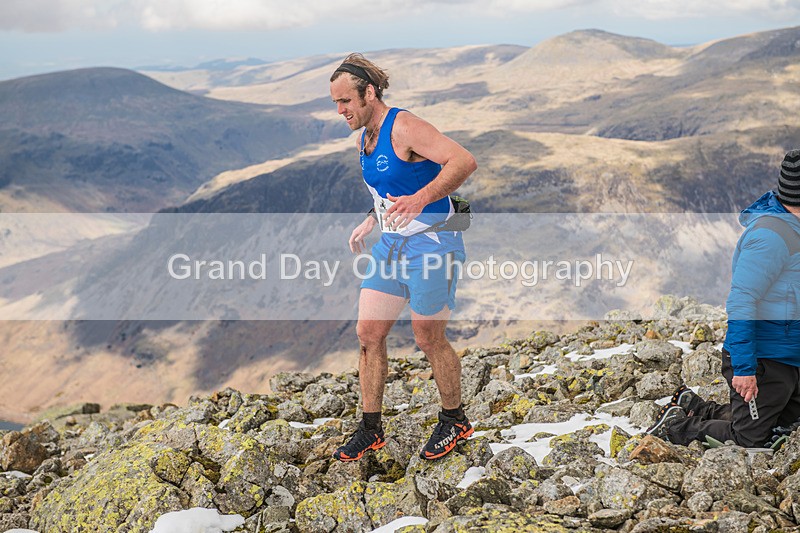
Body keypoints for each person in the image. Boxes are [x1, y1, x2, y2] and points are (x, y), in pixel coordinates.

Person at [328, 54, 478, 461]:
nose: (340, 111)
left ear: (369, 93)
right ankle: (370, 428)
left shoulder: (405, 126)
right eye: (335, 103)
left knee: (428, 338)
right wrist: (369, 220)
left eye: (345, 102)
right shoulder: (365, 135)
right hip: (391, 247)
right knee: (368, 334)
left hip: (433, 245)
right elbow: (387, 189)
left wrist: (422, 198)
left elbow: (464, 161)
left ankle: (454, 420)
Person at [647, 149, 800, 447]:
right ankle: (676, 428)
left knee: (786, 425)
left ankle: (698, 406)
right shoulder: (770, 238)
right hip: (766, 359)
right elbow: (742, 303)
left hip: (791, 355)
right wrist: (744, 369)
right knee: (750, 438)